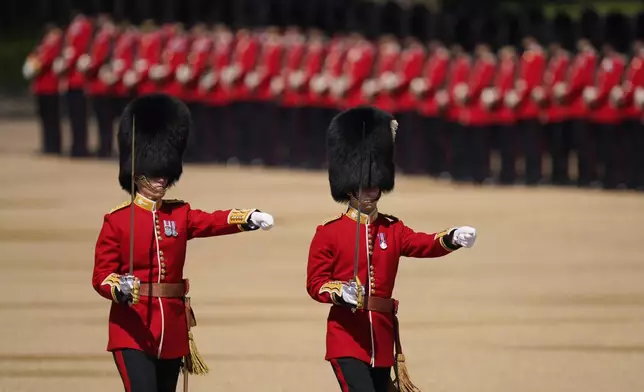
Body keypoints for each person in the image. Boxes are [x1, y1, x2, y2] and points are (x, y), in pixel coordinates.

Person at [92, 94, 275, 392]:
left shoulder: (179, 213)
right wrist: (118, 287)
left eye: (165, 174)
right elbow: (101, 276)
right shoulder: (117, 220)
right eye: (154, 174)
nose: (162, 180)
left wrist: (248, 218)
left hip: (172, 327)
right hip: (133, 326)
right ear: (137, 176)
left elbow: (212, 221)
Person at [306, 106, 477, 392]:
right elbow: (315, 283)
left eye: (375, 187)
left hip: (381, 337)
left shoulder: (392, 228)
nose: (371, 192)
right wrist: (339, 291)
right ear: (349, 189)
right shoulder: (329, 232)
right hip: (346, 337)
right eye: (366, 187)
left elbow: (422, 244)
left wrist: (451, 238)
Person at [23, 23, 63, 155]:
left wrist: (34, 65)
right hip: (41, 87)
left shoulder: (53, 45)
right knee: (45, 118)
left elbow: (44, 61)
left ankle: (53, 147)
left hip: (50, 87)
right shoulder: (42, 46)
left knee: (52, 119)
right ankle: (47, 145)